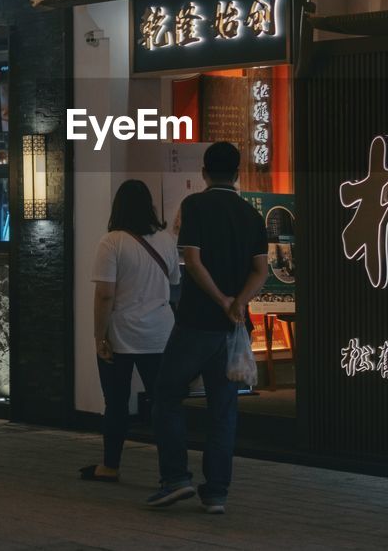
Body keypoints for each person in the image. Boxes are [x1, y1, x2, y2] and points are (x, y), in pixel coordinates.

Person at [146, 142, 270, 515]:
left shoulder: (195, 206)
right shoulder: (251, 216)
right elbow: (261, 270)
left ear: (204, 172)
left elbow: (193, 262)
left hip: (197, 322)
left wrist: (219, 300)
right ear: (236, 174)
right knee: (223, 410)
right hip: (232, 331)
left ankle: (176, 479)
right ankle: (216, 492)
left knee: (166, 397)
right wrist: (238, 304)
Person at [81, 180, 179, 484]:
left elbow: (105, 295)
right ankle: (173, 473)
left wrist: (100, 336)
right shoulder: (166, 240)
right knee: (164, 405)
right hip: (161, 334)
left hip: (120, 335)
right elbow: (174, 283)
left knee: (117, 403)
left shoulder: (111, 242)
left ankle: (110, 466)